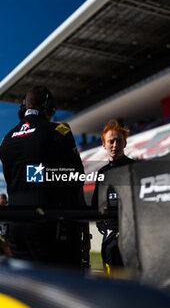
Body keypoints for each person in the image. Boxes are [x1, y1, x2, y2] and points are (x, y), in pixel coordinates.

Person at [0, 85, 90, 268]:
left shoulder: (6, 139)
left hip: (16, 230)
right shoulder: (60, 131)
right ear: (49, 107)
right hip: (51, 228)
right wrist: (84, 231)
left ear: (23, 108)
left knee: (26, 292)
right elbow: (76, 182)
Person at [92, 120, 135, 274]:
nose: (115, 145)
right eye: (111, 141)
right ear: (104, 144)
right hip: (110, 236)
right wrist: (99, 223)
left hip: (132, 235)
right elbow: (96, 203)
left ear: (125, 143)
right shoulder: (102, 173)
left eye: (119, 141)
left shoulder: (135, 167)